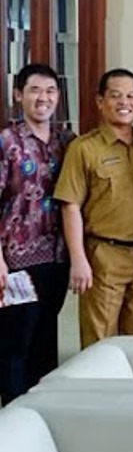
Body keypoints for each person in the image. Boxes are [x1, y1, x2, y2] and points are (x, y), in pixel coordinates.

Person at [55, 69, 133, 348]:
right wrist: (78, 259)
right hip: (104, 257)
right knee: (99, 344)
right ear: (100, 101)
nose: (124, 102)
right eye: (115, 96)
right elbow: (70, 206)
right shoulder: (84, 149)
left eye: (131, 96)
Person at [0, 64, 76, 404]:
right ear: (19, 95)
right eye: (34, 90)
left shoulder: (67, 142)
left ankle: (40, 415)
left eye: (50, 91)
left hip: (57, 259)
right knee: (16, 342)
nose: (43, 98)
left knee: (46, 338)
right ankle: (13, 417)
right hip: (16, 263)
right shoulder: (7, 142)